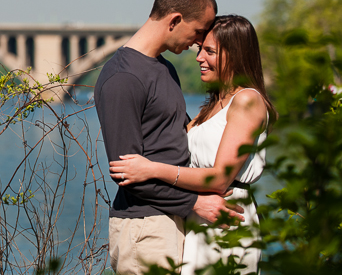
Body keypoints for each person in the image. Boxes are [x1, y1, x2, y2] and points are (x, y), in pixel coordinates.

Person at [95, 0, 245, 275]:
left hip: (172, 219)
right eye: (199, 31)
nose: (199, 43)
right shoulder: (123, 78)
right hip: (145, 227)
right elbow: (125, 172)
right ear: (175, 19)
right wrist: (194, 203)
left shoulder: (164, 68)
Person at [109, 15, 276, 274]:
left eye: (210, 51)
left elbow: (220, 178)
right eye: (200, 49)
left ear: (235, 55)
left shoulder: (247, 101)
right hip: (201, 217)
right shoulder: (211, 107)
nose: (199, 57)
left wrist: (151, 169)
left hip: (227, 215)